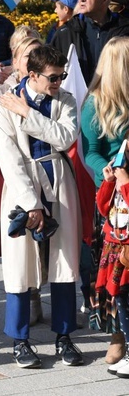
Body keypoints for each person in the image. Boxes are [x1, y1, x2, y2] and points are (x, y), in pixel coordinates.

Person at [0, 45, 83, 369]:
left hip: (58, 182)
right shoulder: (3, 102)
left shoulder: (65, 100)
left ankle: (63, 335)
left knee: (64, 262)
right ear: (32, 74)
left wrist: (29, 115)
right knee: (19, 266)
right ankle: (19, 340)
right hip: (21, 187)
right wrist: (31, 205)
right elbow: (10, 157)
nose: (59, 82)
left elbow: (65, 138)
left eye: (62, 76)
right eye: (53, 77)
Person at [81, 37, 129, 366]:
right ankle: (116, 336)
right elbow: (91, 153)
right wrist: (110, 171)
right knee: (116, 270)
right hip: (115, 203)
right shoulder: (94, 104)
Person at [50, 0, 129, 85]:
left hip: (115, 97)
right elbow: (50, 69)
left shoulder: (124, 30)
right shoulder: (66, 33)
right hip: (77, 100)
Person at [95, 155, 129, 377]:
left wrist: (125, 185)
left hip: (127, 250)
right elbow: (103, 208)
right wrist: (109, 183)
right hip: (115, 247)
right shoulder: (122, 172)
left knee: (127, 298)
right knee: (120, 300)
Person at [0, 28, 42, 120]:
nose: (33, 57)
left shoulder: (51, 80)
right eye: (24, 44)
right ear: (14, 53)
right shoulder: (2, 83)